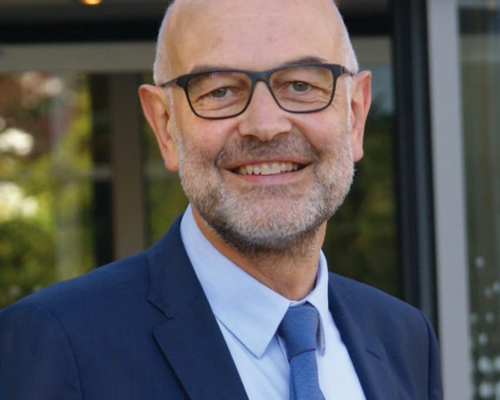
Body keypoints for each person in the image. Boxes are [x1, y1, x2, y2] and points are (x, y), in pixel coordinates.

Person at [0, 0, 443, 399]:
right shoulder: (61, 343)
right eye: (220, 91)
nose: (265, 125)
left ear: (355, 115)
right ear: (165, 126)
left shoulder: (404, 339)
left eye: (301, 85)